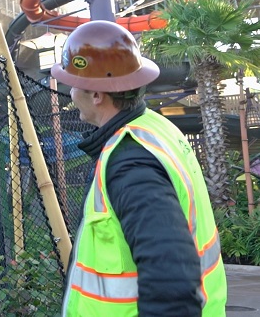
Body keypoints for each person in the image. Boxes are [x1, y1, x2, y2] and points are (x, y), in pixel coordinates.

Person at [50, 20, 227, 317]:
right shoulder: (155, 128)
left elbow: (172, 282)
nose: (70, 94)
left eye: (73, 84)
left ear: (97, 94)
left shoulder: (130, 162)